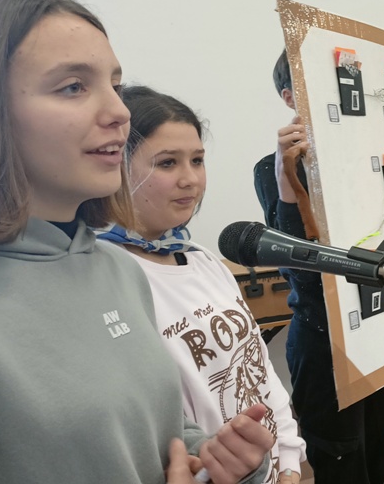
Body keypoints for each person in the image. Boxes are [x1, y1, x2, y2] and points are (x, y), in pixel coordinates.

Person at [0, 0, 273, 484]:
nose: (119, 112)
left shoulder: (119, 271)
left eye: (115, 85)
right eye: (73, 87)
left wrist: (216, 459)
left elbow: (160, 435)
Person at [97, 85, 306, 484]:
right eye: (167, 163)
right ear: (117, 167)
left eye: (197, 160)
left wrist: (290, 462)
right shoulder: (109, 276)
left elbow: (259, 369)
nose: (190, 179)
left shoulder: (201, 258)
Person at [253, 49, 384, 484]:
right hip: (323, 340)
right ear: (288, 97)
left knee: (379, 453)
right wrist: (286, 176)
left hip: (376, 332)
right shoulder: (271, 170)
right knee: (340, 460)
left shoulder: (367, 160)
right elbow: (296, 262)